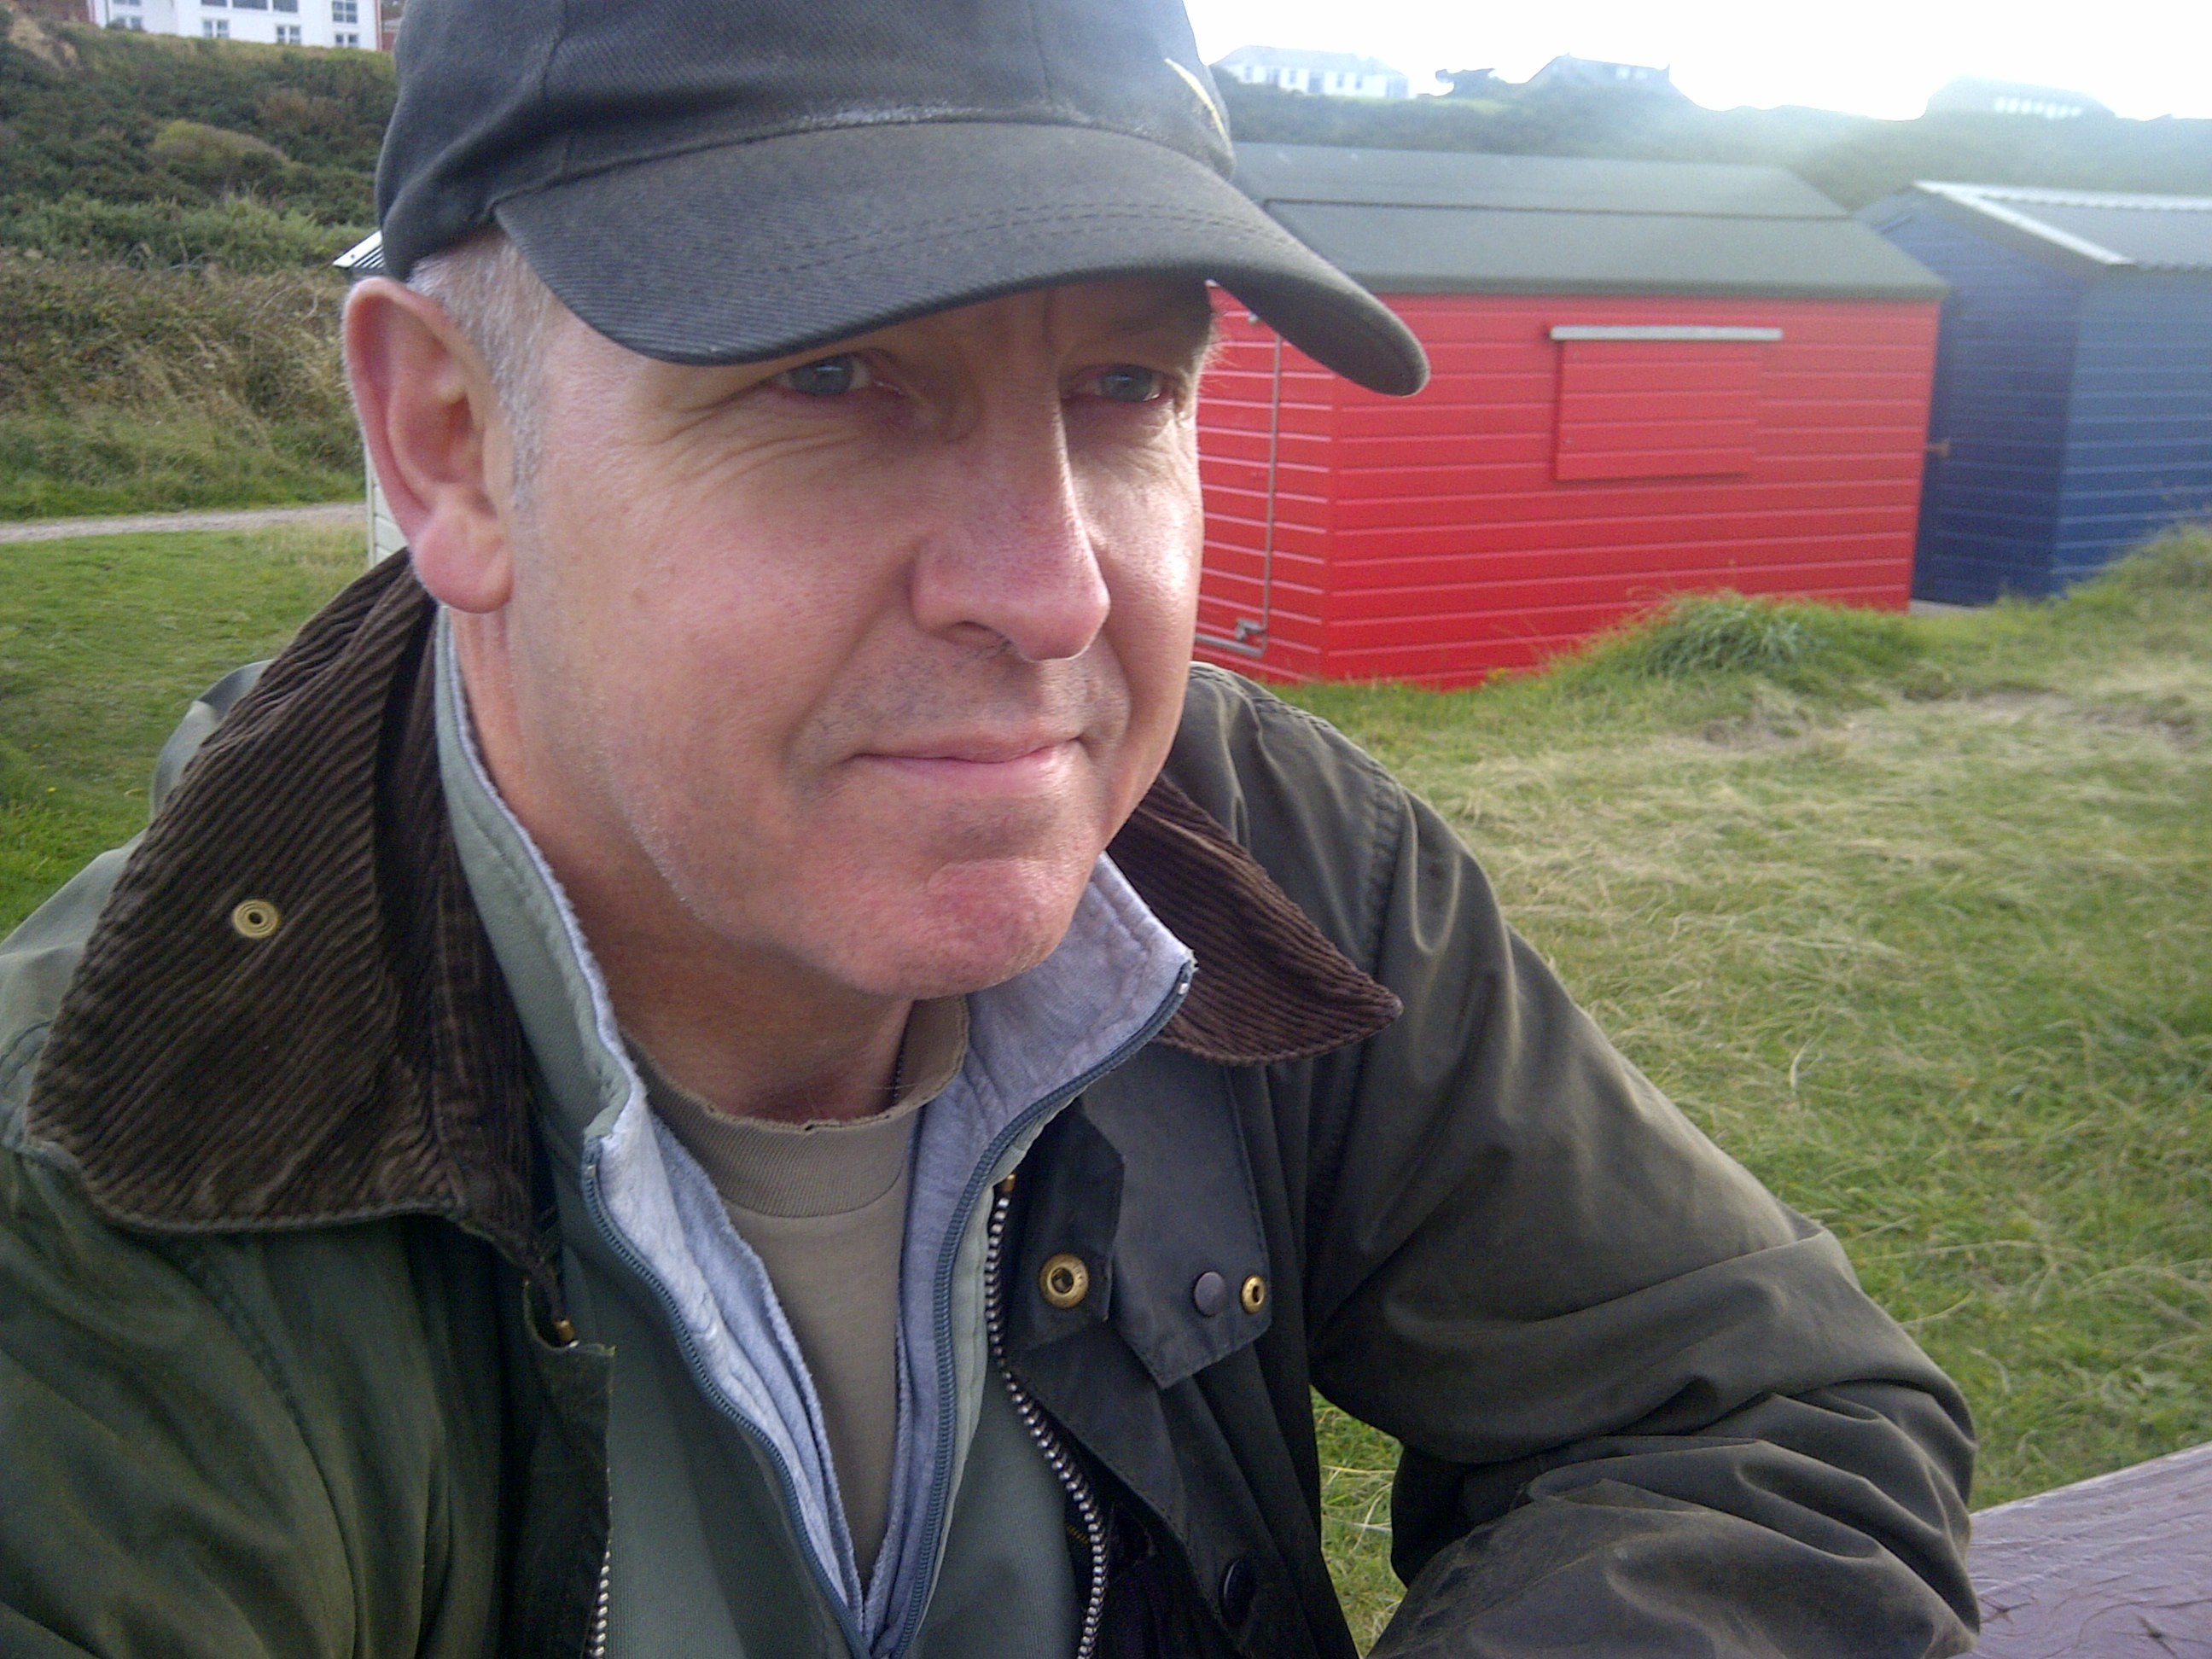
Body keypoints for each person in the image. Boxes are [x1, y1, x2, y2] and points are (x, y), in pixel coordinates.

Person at [0, 0, 1977, 1655]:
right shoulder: (97, 1200)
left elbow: (1766, 1424)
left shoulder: (1260, 853)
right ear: (452, 447)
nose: (1050, 595)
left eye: (1124, 386)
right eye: (833, 378)